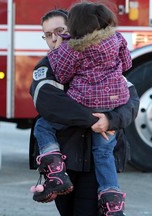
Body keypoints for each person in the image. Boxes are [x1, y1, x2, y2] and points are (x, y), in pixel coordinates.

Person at [29, 8, 139, 216]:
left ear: (73, 29)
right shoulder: (47, 66)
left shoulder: (102, 62)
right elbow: (48, 102)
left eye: (60, 30)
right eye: (48, 35)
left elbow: (131, 101)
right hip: (65, 162)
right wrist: (95, 120)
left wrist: (110, 120)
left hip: (95, 164)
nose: (54, 39)